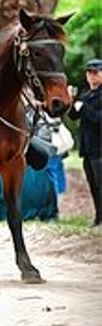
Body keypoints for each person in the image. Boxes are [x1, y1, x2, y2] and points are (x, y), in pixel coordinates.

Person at [69, 58, 102, 226]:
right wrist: (72, 101)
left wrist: (83, 107)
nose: (92, 76)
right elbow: (74, 116)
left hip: (99, 147)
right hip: (87, 147)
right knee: (93, 185)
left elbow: (97, 119)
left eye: (95, 72)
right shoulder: (86, 94)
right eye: (89, 73)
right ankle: (98, 217)